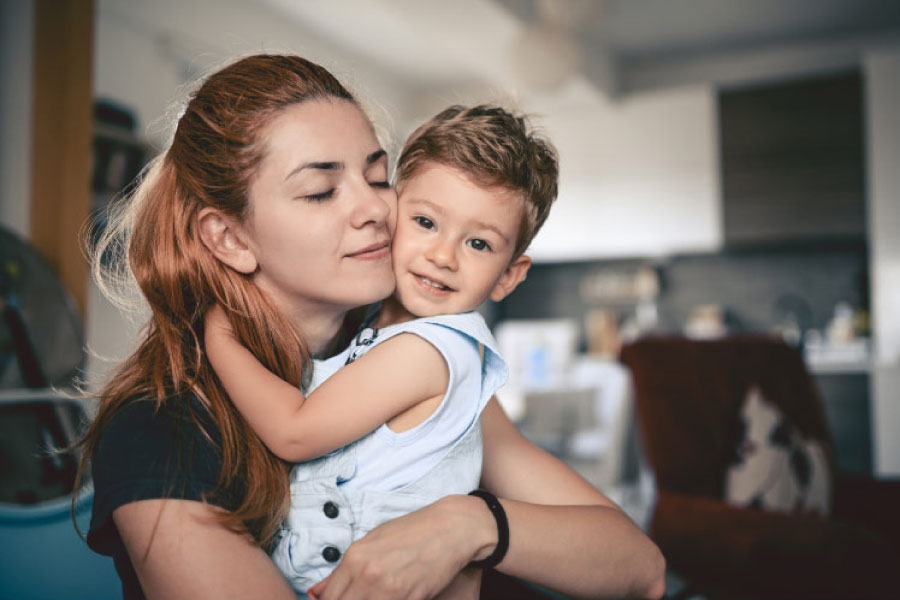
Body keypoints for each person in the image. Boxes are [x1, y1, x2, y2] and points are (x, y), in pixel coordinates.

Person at [75, 54, 666, 600]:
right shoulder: (162, 429)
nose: (377, 210)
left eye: (379, 177)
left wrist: (470, 525)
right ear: (230, 238)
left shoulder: (411, 362)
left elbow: (640, 566)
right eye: (320, 191)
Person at [203, 104, 551, 596]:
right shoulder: (370, 326)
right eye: (426, 222)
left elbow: (294, 432)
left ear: (509, 276)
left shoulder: (432, 351)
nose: (442, 255)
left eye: (478, 244)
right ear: (392, 213)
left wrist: (217, 335)